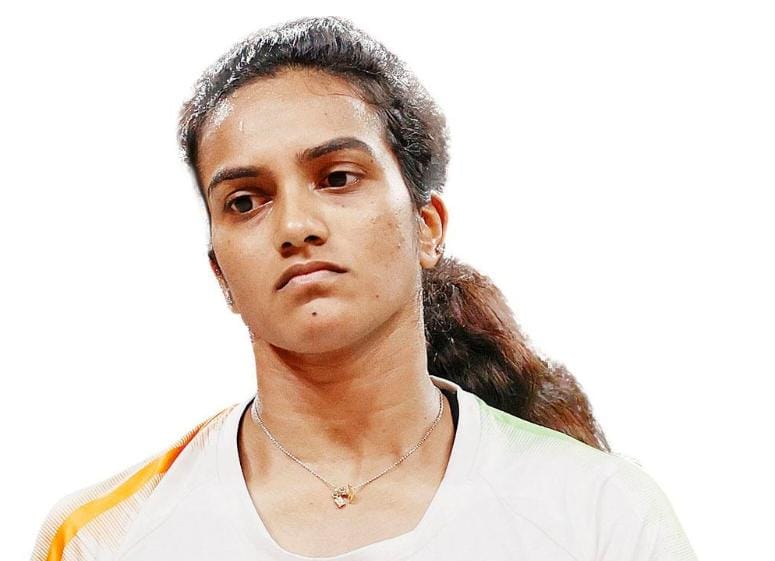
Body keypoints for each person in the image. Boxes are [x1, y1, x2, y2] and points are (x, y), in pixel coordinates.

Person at [30, 16, 697, 561]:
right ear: (220, 274)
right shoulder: (105, 538)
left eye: (337, 177)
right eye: (246, 200)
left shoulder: (599, 511)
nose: (296, 226)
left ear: (427, 226)